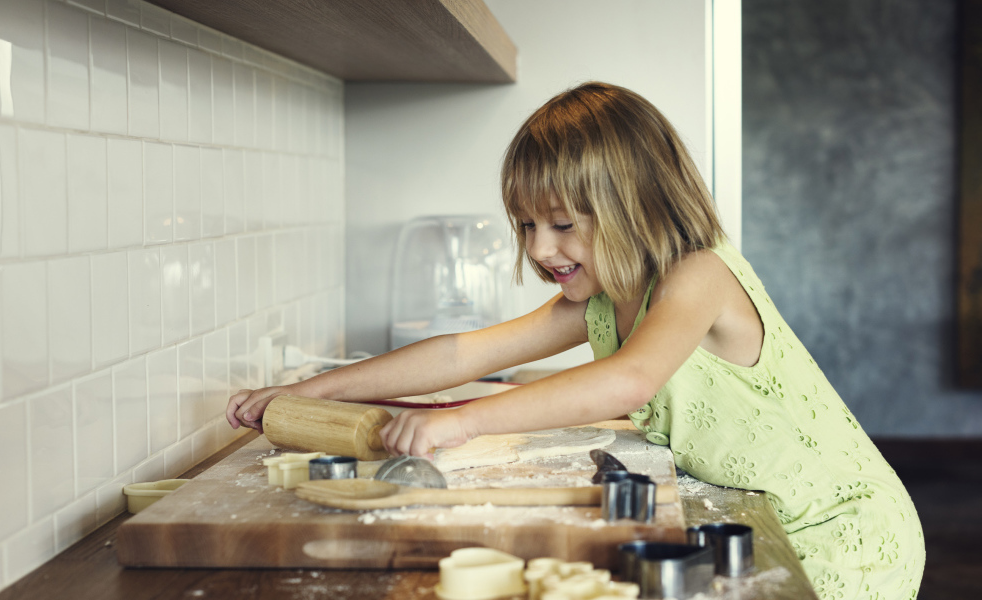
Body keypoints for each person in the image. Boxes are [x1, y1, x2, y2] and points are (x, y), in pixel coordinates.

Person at [227, 82, 924, 598]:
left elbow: (630, 380)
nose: (539, 247)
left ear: (637, 204)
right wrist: (301, 393)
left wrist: (462, 422)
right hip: (762, 517)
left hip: (840, 532)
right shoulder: (596, 299)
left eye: (561, 224)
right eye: (526, 226)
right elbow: (460, 354)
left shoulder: (699, 274)